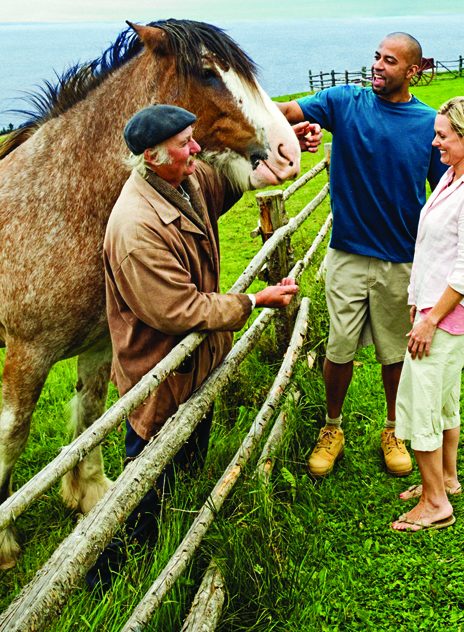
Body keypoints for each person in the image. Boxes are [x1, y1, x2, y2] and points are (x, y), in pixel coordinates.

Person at [90, 104, 299, 588]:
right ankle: (109, 577)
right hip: (159, 374)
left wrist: (284, 149)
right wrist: (253, 300)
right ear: (152, 155)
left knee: (186, 463)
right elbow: (178, 310)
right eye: (186, 143)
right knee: (147, 478)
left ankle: (170, 542)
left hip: (194, 366)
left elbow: (230, 174)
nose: (197, 149)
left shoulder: (185, 180)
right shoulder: (135, 228)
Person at [277, 33, 447, 478]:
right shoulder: (344, 102)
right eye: (376, 56)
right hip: (348, 253)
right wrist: (267, 121)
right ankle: (332, 428)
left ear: (413, 71)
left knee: (395, 353)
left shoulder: (428, 124)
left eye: (389, 61)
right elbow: (288, 112)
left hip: (401, 259)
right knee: (340, 348)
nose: (377, 65)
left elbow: (445, 195)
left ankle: (393, 429)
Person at [391, 96, 464, 531]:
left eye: (442, 136)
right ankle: (447, 478)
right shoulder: (455, 176)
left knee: (423, 404)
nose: (434, 143)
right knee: (444, 398)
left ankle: (436, 504)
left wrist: (429, 318)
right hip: (436, 311)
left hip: (445, 318)